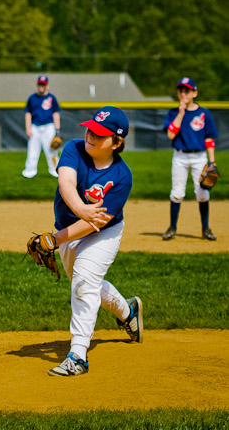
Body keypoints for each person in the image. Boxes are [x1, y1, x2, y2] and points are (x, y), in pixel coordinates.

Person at [45, 106, 142, 376]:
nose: (91, 135)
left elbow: (94, 223)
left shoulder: (122, 177)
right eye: (91, 129)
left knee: (85, 281)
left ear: (117, 142)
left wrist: (53, 240)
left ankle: (78, 355)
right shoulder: (73, 148)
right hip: (69, 228)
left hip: (104, 233)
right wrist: (81, 209)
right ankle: (128, 312)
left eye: (100, 134)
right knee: (86, 283)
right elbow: (66, 183)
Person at [162, 77, 219, 241]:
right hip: (180, 156)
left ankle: (206, 229)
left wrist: (212, 162)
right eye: (180, 90)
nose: (183, 93)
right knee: (177, 193)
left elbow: (209, 139)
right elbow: (171, 134)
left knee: (202, 193)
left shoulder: (203, 113)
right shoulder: (174, 112)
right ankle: (172, 228)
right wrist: (180, 113)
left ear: (195, 93)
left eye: (186, 90)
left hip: (199, 157)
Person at [22, 75, 61, 178]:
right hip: (35, 127)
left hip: (49, 126)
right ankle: (29, 171)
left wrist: (58, 130)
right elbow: (28, 113)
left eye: (43, 84)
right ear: (37, 84)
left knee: (52, 150)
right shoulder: (32, 98)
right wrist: (28, 128)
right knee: (32, 150)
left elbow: (56, 114)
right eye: (40, 83)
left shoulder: (51, 98)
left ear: (47, 85)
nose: (41, 86)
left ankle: (55, 170)